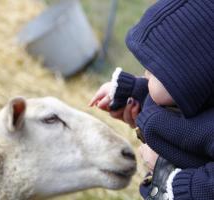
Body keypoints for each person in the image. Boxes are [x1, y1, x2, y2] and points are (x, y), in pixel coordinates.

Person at [89, 0, 214, 199]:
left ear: (187, 78)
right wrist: (129, 93)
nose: (145, 74)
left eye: (154, 70)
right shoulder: (187, 97)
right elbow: (162, 105)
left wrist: (165, 173)